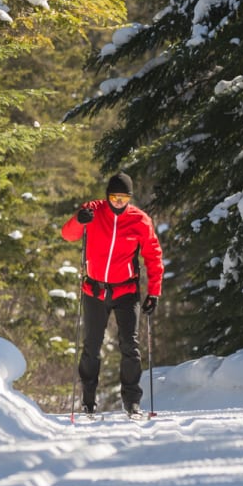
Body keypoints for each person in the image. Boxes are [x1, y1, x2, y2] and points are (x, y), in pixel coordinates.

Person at [61, 171, 164, 417]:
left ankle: (132, 402)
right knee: (91, 347)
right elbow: (68, 235)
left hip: (126, 290)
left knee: (130, 346)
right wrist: (79, 219)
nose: (118, 202)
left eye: (123, 198)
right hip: (94, 290)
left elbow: (153, 255)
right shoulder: (93, 211)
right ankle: (88, 401)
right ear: (107, 196)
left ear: (130, 198)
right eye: (114, 197)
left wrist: (154, 292)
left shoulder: (140, 220)